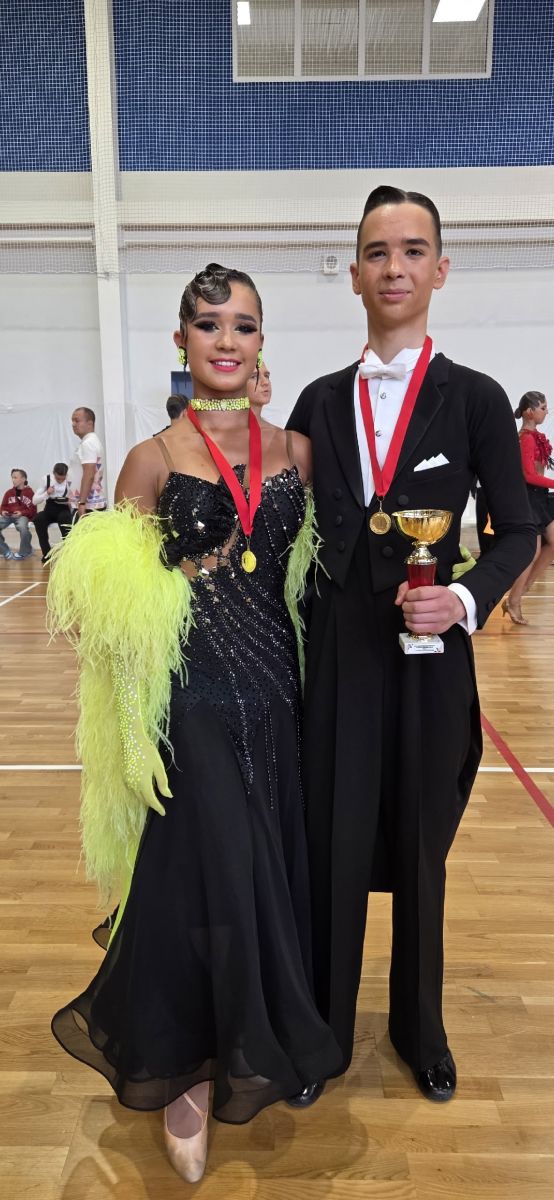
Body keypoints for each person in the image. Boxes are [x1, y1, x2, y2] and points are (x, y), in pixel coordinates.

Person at [48, 263, 341, 1184]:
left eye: (243, 325)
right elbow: (106, 611)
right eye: (209, 324)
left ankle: (259, 1033)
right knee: (206, 876)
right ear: (181, 339)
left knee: (265, 872)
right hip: (193, 700)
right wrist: (135, 731)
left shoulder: (297, 452)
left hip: (278, 696)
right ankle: (184, 1071)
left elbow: (318, 582)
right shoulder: (150, 457)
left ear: (261, 342)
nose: (226, 340)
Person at [286, 185, 536, 1105]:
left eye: (412, 250)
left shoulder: (478, 399)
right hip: (339, 660)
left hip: (433, 665)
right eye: (377, 252)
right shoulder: (316, 401)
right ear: (354, 274)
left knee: (421, 847)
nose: (394, 267)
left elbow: (518, 529)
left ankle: (419, 1030)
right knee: (334, 843)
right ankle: (320, 1032)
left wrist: (463, 598)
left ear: (440, 269)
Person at [502, 390, 554, 624]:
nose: (546, 411)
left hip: (539, 499)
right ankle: (514, 601)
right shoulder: (526, 438)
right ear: (529, 412)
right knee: (532, 552)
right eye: (543, 408)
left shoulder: (534, 436)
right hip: (528, 499)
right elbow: (529, 476)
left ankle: (521, 591)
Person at [68, 407, 106, 517]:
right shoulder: (91, 441)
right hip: (90, 503)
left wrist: (82, 503)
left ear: (90, 423)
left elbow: (89, 474)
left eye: (77, 421)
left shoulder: (88, 443)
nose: (73, 424)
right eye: (72, 421)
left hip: (88, 506)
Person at [32, 463, 72, 564]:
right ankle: (47, 554)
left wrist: (71, 500)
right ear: (54, 473)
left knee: (65, 519)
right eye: (58, 478)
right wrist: (47, 493)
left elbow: (77, 498)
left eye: (63, 479)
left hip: (64, 509)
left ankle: (68, 554)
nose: (60, 481)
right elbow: (34, 501)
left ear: (66, 475)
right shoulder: (46, 479)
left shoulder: (71, 480)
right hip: (50, 508)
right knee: (38, 519)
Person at [0, 468, 37, 560]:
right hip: (9, 516)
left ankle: (25, 551)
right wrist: (3, 511)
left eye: (15, 477)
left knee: (23, 529)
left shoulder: (30, 493)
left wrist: (22, 513)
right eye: (12, 478)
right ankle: (5, 551)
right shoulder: (9, 493)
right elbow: (3, 506)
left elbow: (33, 510)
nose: (13, 480)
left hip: (22, 516)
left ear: (23, 479)